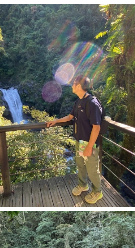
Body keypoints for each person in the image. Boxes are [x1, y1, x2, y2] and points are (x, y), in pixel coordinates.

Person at [46, 74, 105, 204]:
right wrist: (55, 121)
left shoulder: (92, 103)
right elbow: (70, 117)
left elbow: (96, 127)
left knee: (92, 168)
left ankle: (97, 192)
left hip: (90, 143)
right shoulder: (78, 101)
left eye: (73, 83)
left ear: (78, 86)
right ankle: (83, 185)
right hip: (80, 140)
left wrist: (89, 147)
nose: (72, 85)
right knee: (81, 165)